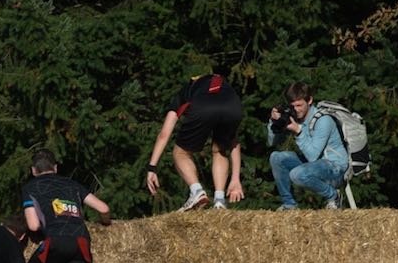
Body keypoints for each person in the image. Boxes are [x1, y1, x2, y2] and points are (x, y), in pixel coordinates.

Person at [145, 72, 245, 211]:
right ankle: (219, 200)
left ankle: (197, 191)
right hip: (233, 107)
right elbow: (234, 142)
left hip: (203, 107)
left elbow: (164, 134)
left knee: (180, 153)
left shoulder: (187, 89)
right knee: (219, 150)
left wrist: (152, 167)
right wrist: (235, 179)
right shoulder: (226, 88)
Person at [266, 81, 347, 210]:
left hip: (335, 169)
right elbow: (272, 142)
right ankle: (289, 205)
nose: (296, 110)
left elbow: (312, 156)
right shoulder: (294, 116)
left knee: (297, 174)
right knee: (276, 157)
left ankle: (334, 196)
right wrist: (273, 122)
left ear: (309, 100)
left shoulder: (323, 120)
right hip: (313, 164)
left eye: (299, 105)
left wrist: (298, 132)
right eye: (292, 106)